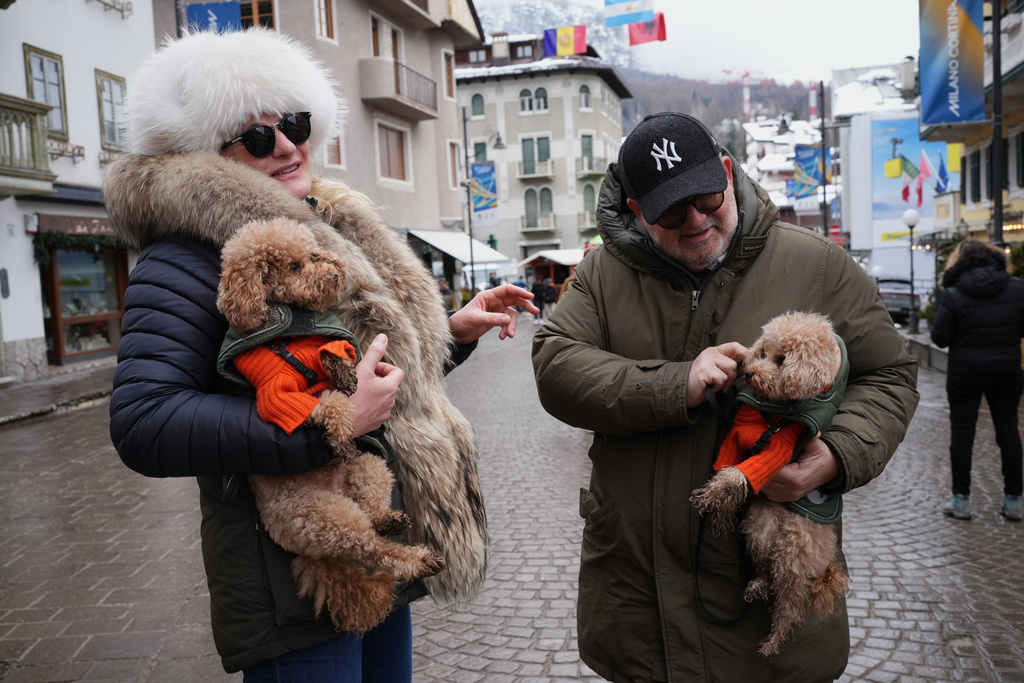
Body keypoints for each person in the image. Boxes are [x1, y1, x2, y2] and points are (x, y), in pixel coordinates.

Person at [104, 28, 537, 680]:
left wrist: (451, 331)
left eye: (295, 122)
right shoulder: (186, 253)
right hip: (292, 578)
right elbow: (143, 420)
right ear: (204, 152)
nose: (284, 144)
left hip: (374, 544)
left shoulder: (326, 226)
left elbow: (356, 376)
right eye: (254, 136)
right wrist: (324, 427)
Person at [532, 112, 920, 682]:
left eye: (707, 197)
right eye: (670, 209)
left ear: (729, 173)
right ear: (638, 212)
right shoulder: (602, 273)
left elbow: (889, 373)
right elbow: (555, 363)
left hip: (766, 594)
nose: (695, 220)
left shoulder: (817, 263)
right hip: (639, 605)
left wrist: (834, 455)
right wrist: (673, 383)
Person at [930, 239, 1024, 522]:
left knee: (962, 434)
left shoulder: (954, 294)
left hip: (965, 372)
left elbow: (940, 338)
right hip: (1007, 368)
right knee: (1009, 432)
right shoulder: (1018, 287)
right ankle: (1014, 501)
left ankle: (961, 500)